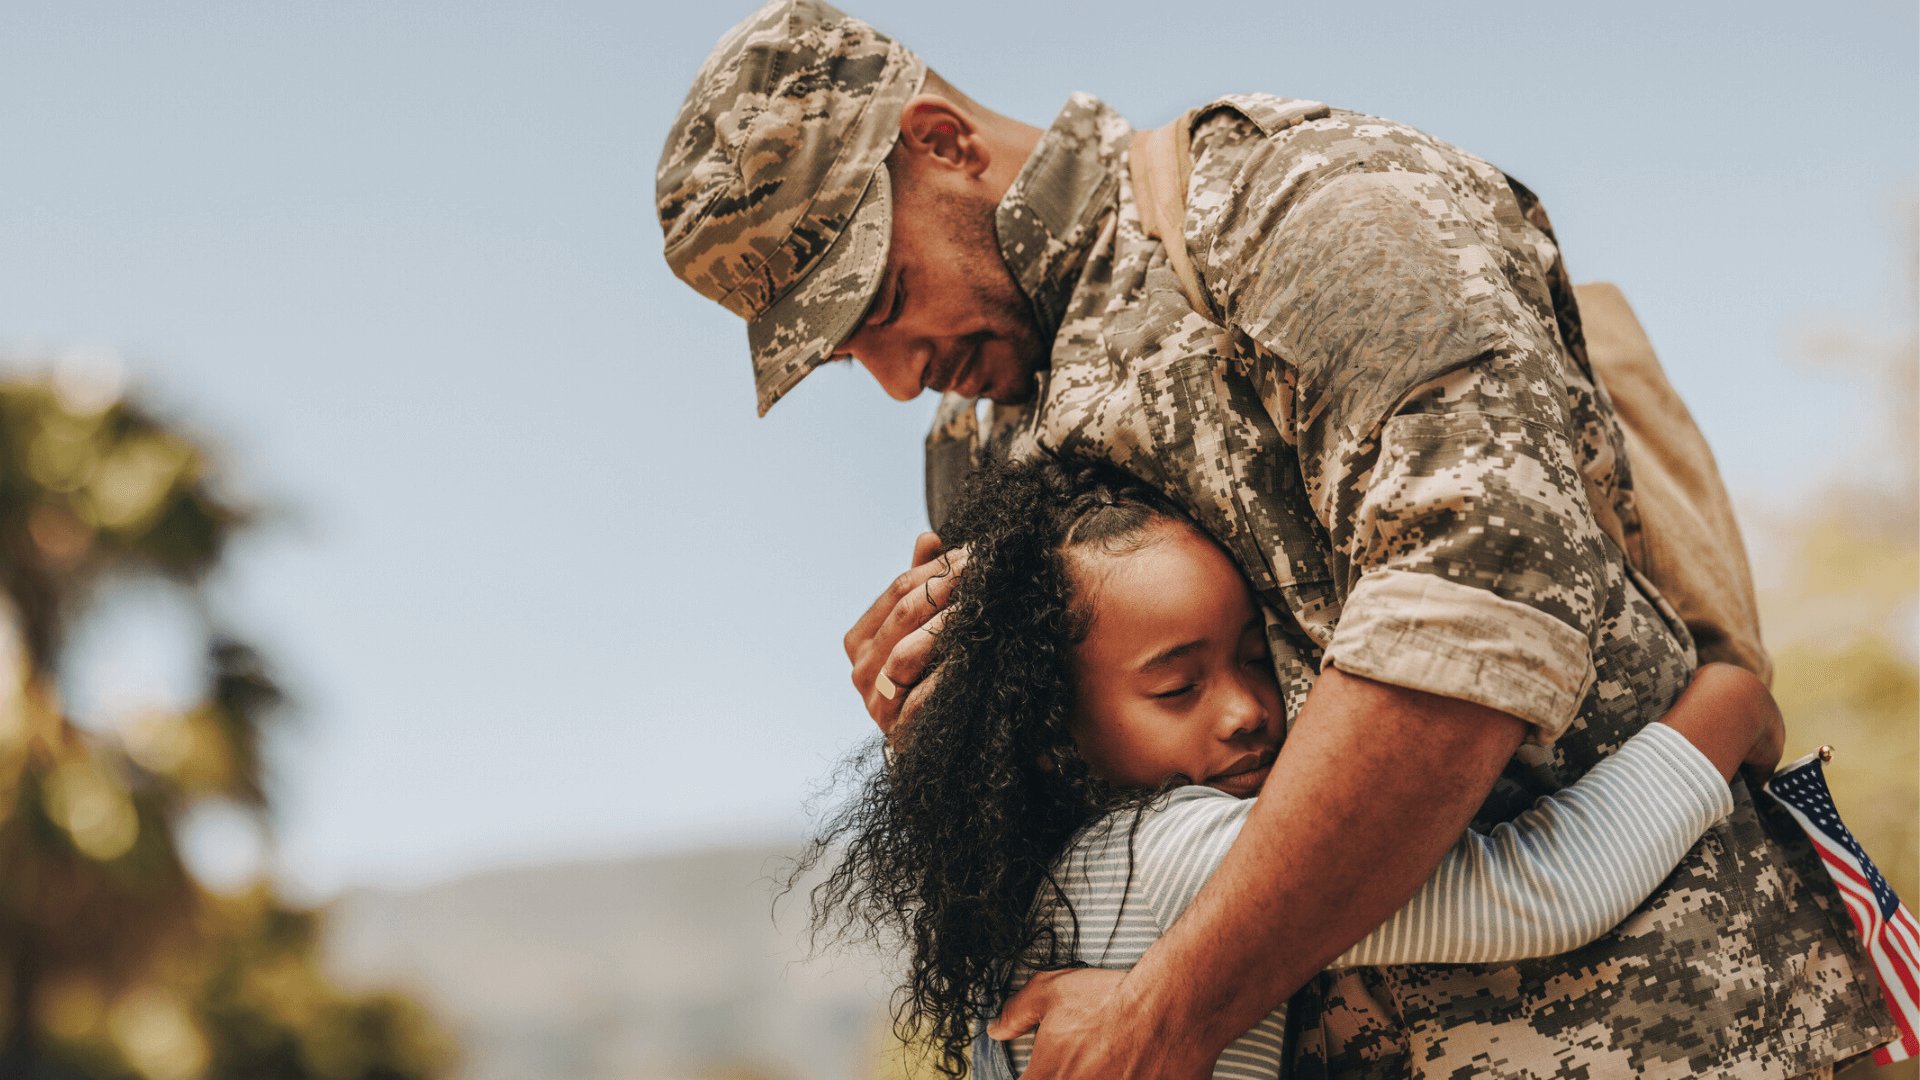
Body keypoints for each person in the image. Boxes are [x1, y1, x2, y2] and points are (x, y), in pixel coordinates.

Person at [656, 3, 1896, 1076]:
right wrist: (949, 734)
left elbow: (1464, 631)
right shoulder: (982, 448)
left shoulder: (1302, 212)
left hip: (1643, 1036)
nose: (891, 377)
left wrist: (1171, 1011)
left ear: (939, 141)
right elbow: (1108, 844)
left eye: (879, 303)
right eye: (843, 353)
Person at [803, 456, 1784, 1080]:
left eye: (1248, 656)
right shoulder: (1168, 853)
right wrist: (1730, 698)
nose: (1247, 711)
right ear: (1055, 735)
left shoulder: (1038, 876)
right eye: (1176, 688)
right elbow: (1543, 888)